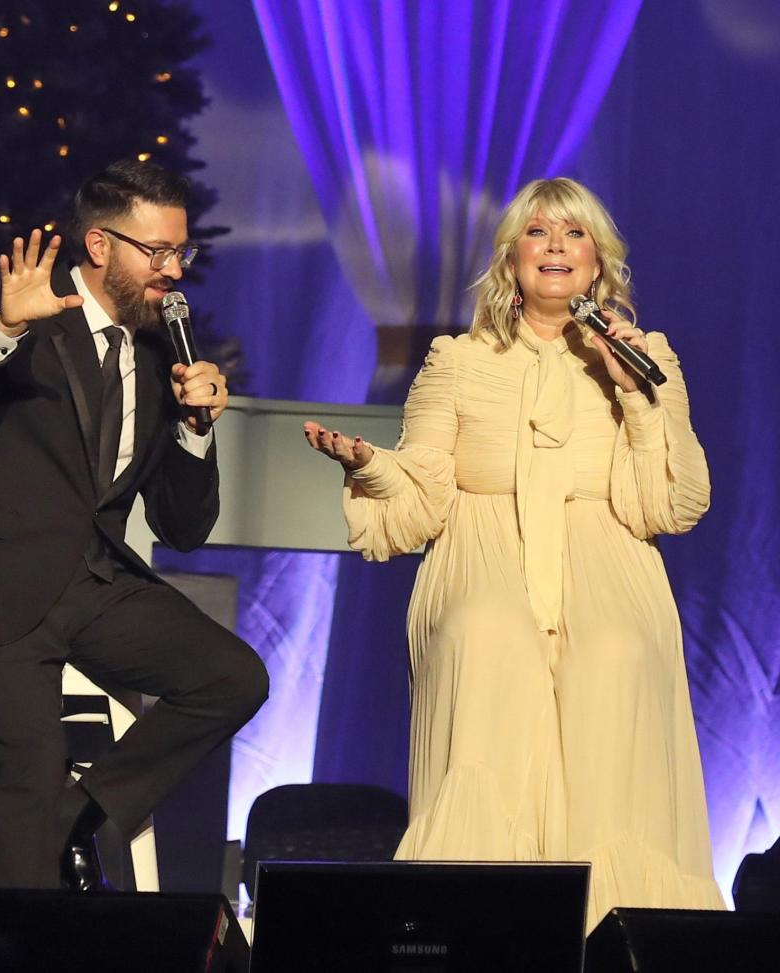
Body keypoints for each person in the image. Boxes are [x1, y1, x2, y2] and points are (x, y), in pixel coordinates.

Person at [303, 177, 723, 930]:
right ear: (511, 260)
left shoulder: (648, 357)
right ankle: (474, 917)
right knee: (487, 638)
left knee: (617, 655)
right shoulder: (457, 361)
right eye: (538, 233)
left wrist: (636, 395)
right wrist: (369, 464)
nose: (556, 246)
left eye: (575, 234)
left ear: (599, 264)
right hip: (486, 548)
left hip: (605, 554)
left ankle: (616, 918)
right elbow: (424, 493)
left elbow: (666, 504)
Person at [0, 160, 269, 890]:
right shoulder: (24, 308)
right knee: (25, 772)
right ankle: (26, 891)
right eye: (156, 251)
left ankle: (77, 819)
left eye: (180, 251)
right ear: (98, 246)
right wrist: (2, 327)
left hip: (95, 588)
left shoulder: (162, 354)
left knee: (233, 678)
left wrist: (194, 429)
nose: (173, 269)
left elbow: (182, 527)